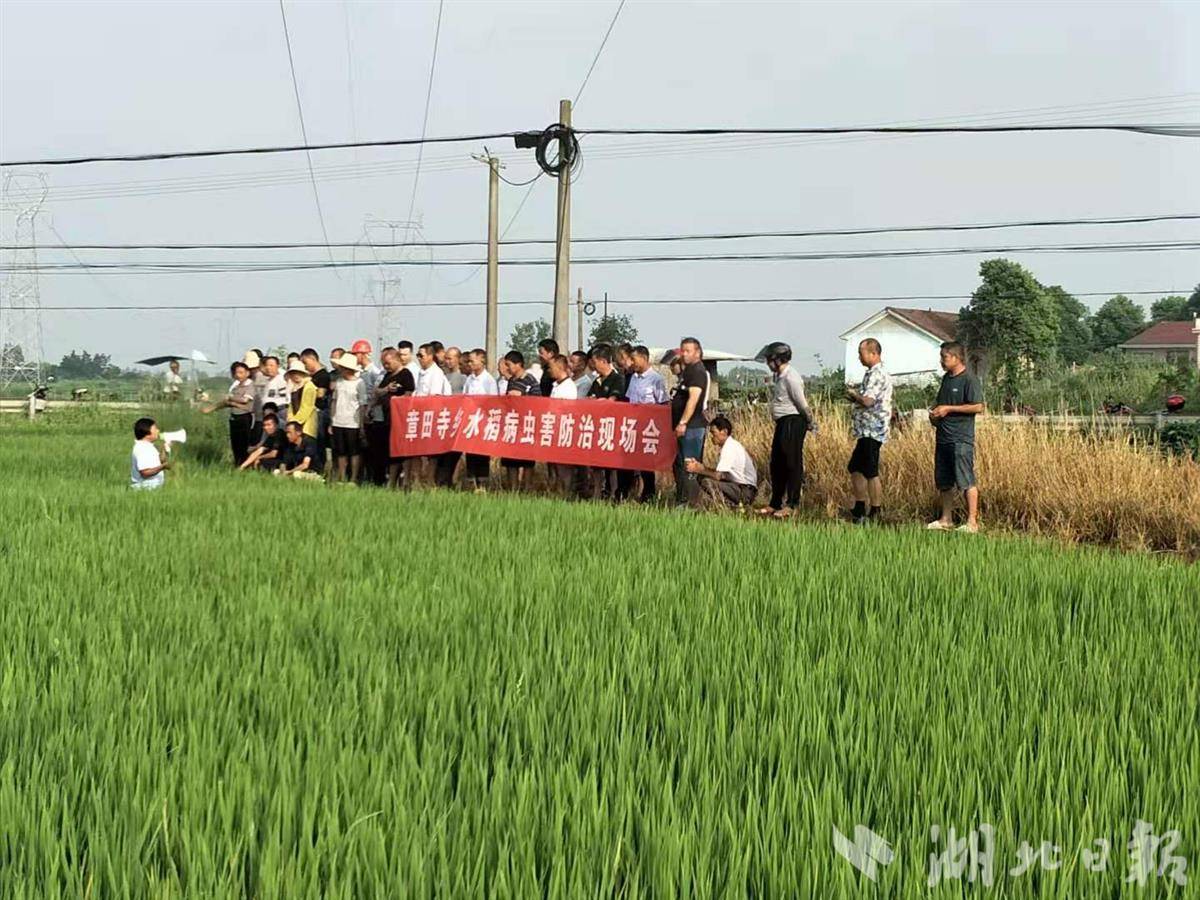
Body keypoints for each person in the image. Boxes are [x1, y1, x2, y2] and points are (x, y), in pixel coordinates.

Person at [926, 341, 985, 533]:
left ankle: (972, 522)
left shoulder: (969, 379)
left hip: (961, 438)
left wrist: (949, 409)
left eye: (944, 357)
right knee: (944, 481)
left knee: (965, 479)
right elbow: (940, 403)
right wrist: (935, 413)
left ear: (956, 357)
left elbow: (978, 406)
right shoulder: (946, 379)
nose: (941, 361)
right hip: (943, 437)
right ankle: (946, 519)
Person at [756, 341, 814, 519]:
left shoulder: (791, 377)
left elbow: (801, 403)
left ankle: (792, 504)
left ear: (778, 359)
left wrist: (810, 421)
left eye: (770, 360)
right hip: (782, 422)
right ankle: (775, 502)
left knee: (792, 462)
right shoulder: (779, 376)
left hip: (793, 421)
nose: (768, 363)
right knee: (777, 463)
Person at [845, 338, 894, 524]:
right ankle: (859, 506)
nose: (859, 357)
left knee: (870, 470)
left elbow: (868, 401)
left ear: (873, 353)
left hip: (873, 430)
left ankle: (875, 510)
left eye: (861, 353)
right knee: (855, 467)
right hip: (864, 429)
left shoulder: (877, 374)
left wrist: (854, 394)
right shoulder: (870, 373)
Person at [618, 345, 667, 502]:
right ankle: (624, 494)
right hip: (632, 427)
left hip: (647, 428)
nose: (632, 363)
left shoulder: (656, 379)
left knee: (646, 465)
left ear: (644, 358)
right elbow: (628, 400)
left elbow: (663, 403)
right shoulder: (633, 378)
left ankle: (648, 496)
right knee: (627, 462)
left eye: (634, 359)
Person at [685, 415, 757, 509]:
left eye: (713, 433)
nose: (712, 437)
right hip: (742, 489)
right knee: (704, 478)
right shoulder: (731, 445)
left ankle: (726, 507)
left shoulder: (729, 448)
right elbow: (722, 475)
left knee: (707, 482)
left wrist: (698, 469)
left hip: (744, 491)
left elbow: (717, 476)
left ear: (724, 432)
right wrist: (701, 468)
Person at [369, 348, 416, 487]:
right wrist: (386, 389)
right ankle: (388, 480)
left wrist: (397, 400)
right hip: (384, 417)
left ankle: (402, 480)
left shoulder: (406, 374)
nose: (385, 366)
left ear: (396, 360)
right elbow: (377, 391)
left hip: (399, 419)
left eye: (388, 363)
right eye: (383, 363)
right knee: (386, 450)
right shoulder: (387, 375)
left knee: (399, 450)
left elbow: (409, 394)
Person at [672, 339, 710, 505]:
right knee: (680, 465)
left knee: (690, 466)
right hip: (687, 427)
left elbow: (693, 399)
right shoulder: (688, 371)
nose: (684, 354)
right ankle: (682, 500)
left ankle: (691, 504)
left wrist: (683, 422)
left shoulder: (697, 372)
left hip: (692, 427)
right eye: (683, 351)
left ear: (697, 352)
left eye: (688, 351)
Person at [587, 345, 626, 499]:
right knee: (596, 463)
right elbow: (589, 399)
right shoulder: (596, 381)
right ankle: (597, 493)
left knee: (612, 464)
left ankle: (613, 494)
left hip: (612, 427)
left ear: (603, 361)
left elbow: (612, 401)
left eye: (595, 361)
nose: (593, 365)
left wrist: (599, 402)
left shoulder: (618, 379)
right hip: (596, 427)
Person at [201, 361, 255, 465]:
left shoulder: (250, 385)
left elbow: (245, 400)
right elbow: (227, 402)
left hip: (244, 417)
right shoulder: (235, 387)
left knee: (244, 442)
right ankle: (237, 463)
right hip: (234, 416)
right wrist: (213, 407)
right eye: (236, 373)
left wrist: (231, 399)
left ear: (247, 373)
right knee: (235, 442)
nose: (238, 375)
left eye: (241, 372)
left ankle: (245, 464)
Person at [501, 350, 539, 490]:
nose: (507, 368)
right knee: (510, 460)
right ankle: (513, 489)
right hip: (512, 425)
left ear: (518, 364)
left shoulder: (531, 380)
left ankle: (527, 489)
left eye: (509, 364)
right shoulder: (511, 380)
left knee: (527, 460)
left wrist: (522, 397)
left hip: (526, 426)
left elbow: (538, 402)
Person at [461, 349, 498, 492]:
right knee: (470, 454)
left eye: (472, 361)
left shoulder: (489, 380)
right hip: (470, 422)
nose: (469, 364)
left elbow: (493, 403)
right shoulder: (469, 379)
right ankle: (472, 484)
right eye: (468, 361)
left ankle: (482, 486)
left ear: (482, 361)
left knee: (482, 455)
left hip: (483, 423)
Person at [329, 351, 367, 484]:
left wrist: (361, 425)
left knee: (354, 451)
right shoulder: (339, 382)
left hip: (353, 422)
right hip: (338, 421)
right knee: (341, 451)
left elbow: (362, 405)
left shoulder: (360, 383)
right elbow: (334, 401)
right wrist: (332, 420)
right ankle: (341, 477)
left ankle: (353, 478)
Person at [300, 348, 331, 461]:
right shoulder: (312, 376)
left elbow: (320, 394)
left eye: (305, 362)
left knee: (319, 440)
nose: (305, 366)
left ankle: (320, 464)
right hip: (310, 411)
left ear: (312, 359)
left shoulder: (323, 375)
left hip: (320, 411)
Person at [130, 416, 169, 490]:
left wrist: (164, 449)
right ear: (147, 432)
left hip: (152, 489)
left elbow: (160, 461)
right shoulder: (142, 448)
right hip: (144, 490)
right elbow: (145, 473)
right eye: (155, 429)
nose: (158, 430)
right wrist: (163, 467)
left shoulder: (148, 446)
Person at [285, 359, 318, 439]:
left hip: (307, 423)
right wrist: (290, 418)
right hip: (295, 423)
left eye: (298, 373)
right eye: (293, 373)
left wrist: (295, 422)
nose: (296, 375)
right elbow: (291, 405)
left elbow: (307, 407)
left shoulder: (309, 386)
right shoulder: (294, 387)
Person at [261, 355, 289, 419]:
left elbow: (284, 398)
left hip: (280, 411)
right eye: (267, 365)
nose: (268, 368)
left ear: (277, 366)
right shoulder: (268, 380)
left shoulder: (282, 379)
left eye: (271, 365)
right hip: (268, 411)